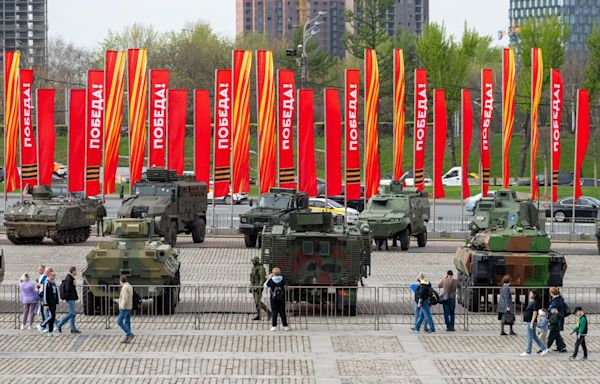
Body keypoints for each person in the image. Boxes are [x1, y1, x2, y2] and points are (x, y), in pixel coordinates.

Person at [520, 290, 548, 356]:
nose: (529, 295)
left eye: (531, 294)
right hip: (530, 321)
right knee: (534, 336)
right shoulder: (533, 302)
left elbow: (535, 312)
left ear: (534, 295)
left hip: (531, 321)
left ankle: (528, 351)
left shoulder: (535, 303)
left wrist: (532, 322)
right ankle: (544, 348)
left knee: (529, 336)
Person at [56, 266, 80, 334]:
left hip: (71, 298)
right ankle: (60, 323)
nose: (76, 272)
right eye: (76, 270)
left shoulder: (70, 278)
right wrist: (73, 285)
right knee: (72, 313)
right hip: (70, 298)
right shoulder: (69, 279)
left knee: (73, 314)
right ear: (73, 271)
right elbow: (68, 289)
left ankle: (73, 328)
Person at [264, 267, 289, 331]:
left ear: (273, 273)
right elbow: (286, 286)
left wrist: (269, 278)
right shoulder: (283, 279)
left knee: (274, 312)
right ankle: (285, 326)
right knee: (282, 312)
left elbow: (265, 285)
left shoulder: (271, 280)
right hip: (282, 298)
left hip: (273, 298)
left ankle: (274, 326)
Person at [37, 271, 59, 336]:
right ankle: (42, 325)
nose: (54, 277)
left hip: (53, 302)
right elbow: (45, 295)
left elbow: (55, 293)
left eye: (54, 275)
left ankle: (50, 331)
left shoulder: (53, 283)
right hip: (49, 303)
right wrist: (45, 304)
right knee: (51, 316)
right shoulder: (46, 283)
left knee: (53, 316)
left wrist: (56, 300)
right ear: (49, 276)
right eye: (52, 275)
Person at [547, 287, 568, 352]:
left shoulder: (555, 301)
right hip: (559, 319)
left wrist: (547, 310)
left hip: (555, 320)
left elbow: (553, 310)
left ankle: (545, 348)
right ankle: (562, 347)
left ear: (551, 293)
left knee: (552, 334)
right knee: (556, 334)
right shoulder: (560, 298)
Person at [249, 257, 270, 321]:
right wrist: (251, 287)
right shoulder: (254, 268)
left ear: (256, 261)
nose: (252, 262)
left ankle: (269, 312)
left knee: (258, 301)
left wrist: (260, 287)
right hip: (254, 286)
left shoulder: (261, 268)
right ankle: (259, 315)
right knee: (256, 302)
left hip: (258, 286)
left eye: (253, 261)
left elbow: (262, 279)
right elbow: (252, 279)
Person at [116, 275, 134, 343]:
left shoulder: (124, 287)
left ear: (121, 281)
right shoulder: (129, 286)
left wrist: (122, 306)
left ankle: (129, 334)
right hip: (129, 306)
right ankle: (127, 338)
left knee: (119, 321)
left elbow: (125, 298)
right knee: (127, 322)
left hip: (125, 307)